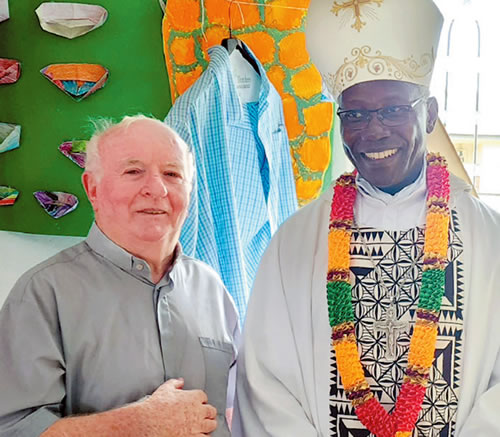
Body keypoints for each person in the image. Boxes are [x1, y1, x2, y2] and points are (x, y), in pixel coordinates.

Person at [233, 0, 500, 436]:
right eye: (354, 114)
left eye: (393, 110)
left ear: (429, 113)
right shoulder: (296, 242)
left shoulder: (489, 239)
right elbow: (266, 381)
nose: (372, 131)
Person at [0, 115, 240, 437]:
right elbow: (14, 430)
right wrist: (141, 424)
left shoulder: (212, 288)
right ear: (93, 189)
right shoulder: (43, 294)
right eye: (133, 171)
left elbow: (239, 410)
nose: (156, 189)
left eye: (172, 174)